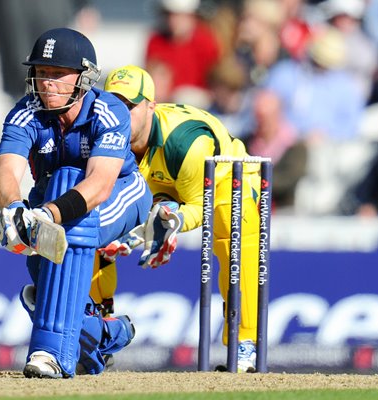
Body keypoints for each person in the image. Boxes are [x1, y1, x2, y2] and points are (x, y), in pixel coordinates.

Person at [0, 28, 152, 379]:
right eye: (41, 73)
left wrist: (46, 216)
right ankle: (105, 336)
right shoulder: (25, 112)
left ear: (83, 77)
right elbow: (6, 172)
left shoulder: (108, 110)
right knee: (47, 287)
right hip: (46, 198)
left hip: (120, 195)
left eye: (56, 74)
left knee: (74, 222)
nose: (46, 83)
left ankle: (50, 354)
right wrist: (15, 210)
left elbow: (99, 185)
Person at [100, 64, 263, 372]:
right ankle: (97, 334)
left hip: (226, 178)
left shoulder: (185, 142)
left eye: (130, 106)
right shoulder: (103, 136)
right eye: (113, 105)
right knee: (95, 237)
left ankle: (246, 344)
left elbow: (198, 205)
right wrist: (129, 233)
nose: (120, 115)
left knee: (235, 238)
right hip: (160, 182)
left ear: (151, 106)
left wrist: (168, 221)